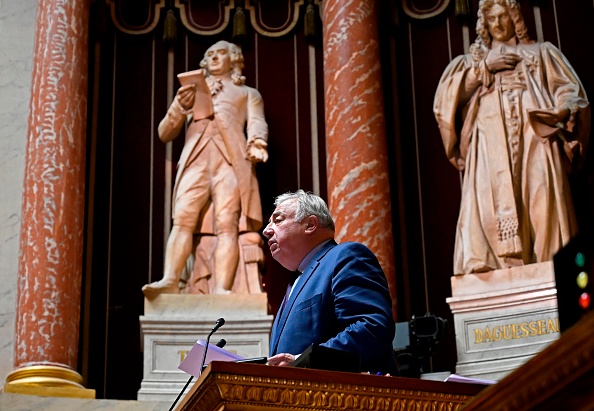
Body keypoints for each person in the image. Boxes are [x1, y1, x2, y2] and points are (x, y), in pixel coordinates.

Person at [434, 0, 590, 275]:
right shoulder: (471, 63)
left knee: (542, 200)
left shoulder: (540, 53)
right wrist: (483, 69)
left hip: (536, 137)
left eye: (503, 17)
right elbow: (444, 103)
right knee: (487, 207)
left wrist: (562, 109)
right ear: (484, 23)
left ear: (514, 17)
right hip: (489, 143)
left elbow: (571, 91)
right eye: (491, 19)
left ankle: (550, 264)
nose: (498, 25)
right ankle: (492, 268)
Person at [142, 40, 268, 298]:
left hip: (231, 163)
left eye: (220, 53)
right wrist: (179, 106)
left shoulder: (248, 93)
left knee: (227, 225)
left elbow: (256, 123)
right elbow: (165, 132)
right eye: (208, 54)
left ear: (233, 58)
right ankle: (170, 279)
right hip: (196, 161)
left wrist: (257, 143)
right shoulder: (191, 93)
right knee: (183, 219)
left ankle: (223, 287)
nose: (213, 58)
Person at [263, 190, 398, 375]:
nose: (266, 230)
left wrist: (305, 361)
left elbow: (371, 326)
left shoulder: (345, 257)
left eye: (277, 220)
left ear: (310, 224)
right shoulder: (294, 282)